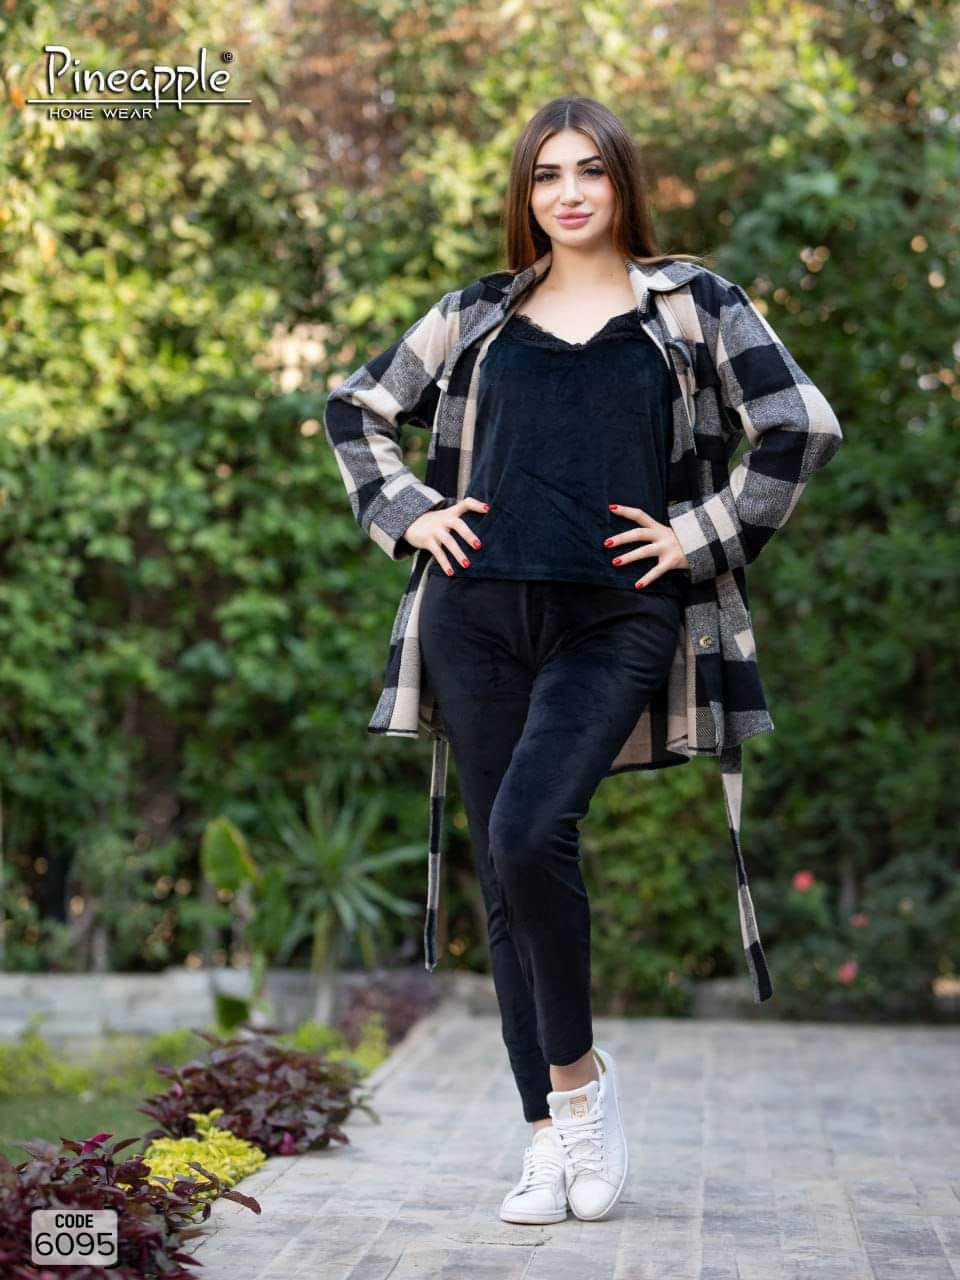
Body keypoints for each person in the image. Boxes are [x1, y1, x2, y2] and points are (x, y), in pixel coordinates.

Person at [323, 95, 843, 1226]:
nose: (569, 192)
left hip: (619, 618)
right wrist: (410, 514)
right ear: (526, 192)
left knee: (528, 830)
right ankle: (545, 1138)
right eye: (547, 174)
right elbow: (356, 407)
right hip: (476, 615)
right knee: (505, 876)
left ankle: (580, 1085)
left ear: (622, 183)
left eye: (591, 170)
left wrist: (699, 534)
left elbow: (800, 423)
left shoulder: (694, 303)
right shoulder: (476, 315)